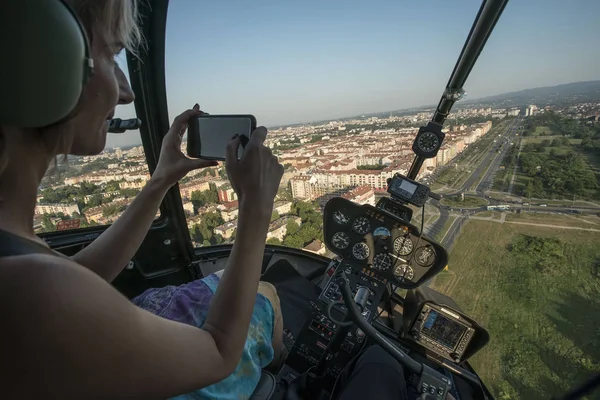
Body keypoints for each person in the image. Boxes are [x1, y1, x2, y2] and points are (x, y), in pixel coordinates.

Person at [0, 0, 285, 398]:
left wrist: (161, 180)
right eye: (111, 55)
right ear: (52, 51)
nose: (128, 91)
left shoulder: (17, 257)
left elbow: (78, 273)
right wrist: (256, 209)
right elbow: (218, 351)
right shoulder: (32, 293)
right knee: (267, 292)